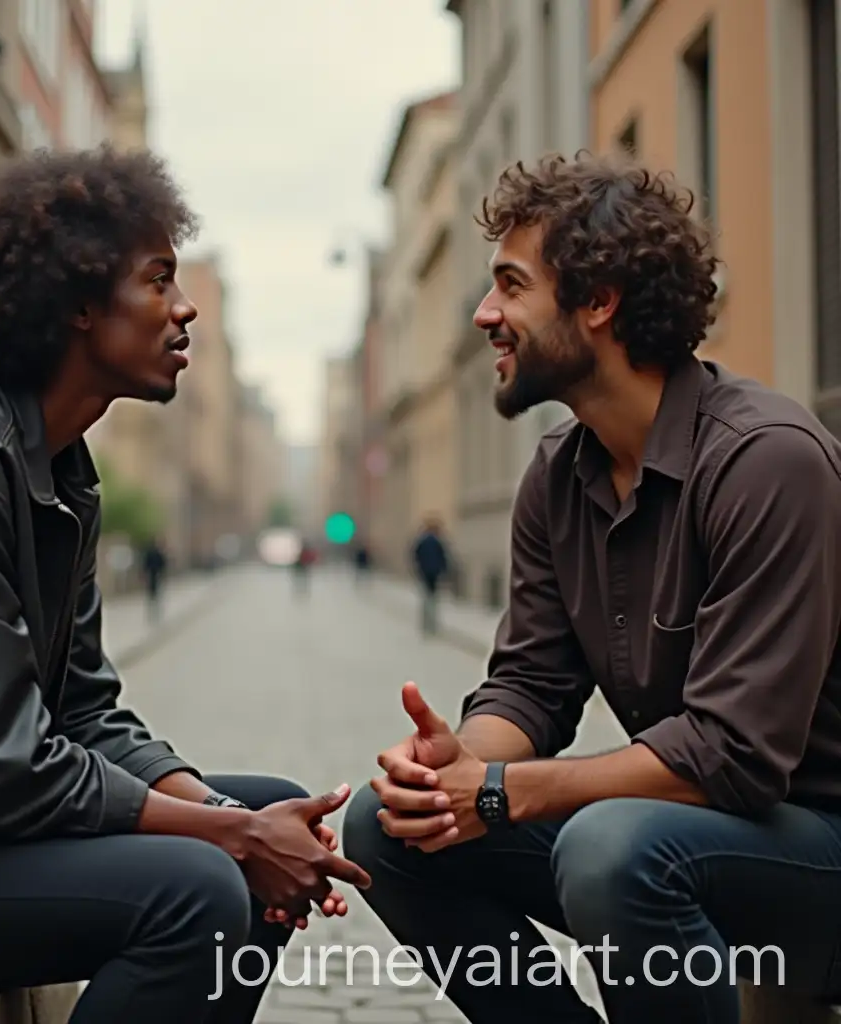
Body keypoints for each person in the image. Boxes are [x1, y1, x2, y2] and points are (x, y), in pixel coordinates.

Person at [0, 145, 369, 1022]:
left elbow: (84, 710)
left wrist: (238, 815)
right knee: (199, 886)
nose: (185, 309)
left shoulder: (60, 468)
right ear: (75, 301)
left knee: (263, 804)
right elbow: (7, 768)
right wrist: (229, 834)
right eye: (158, 281)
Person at [342, 152, 841, 1024]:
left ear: (599, 302)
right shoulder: (558, 476)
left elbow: (733, 753)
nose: (484, 314)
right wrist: (458, 768)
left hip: (817, 850)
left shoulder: (768, 461)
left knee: (615, 846)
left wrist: (501, 792)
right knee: (385, 829)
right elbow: (533, 684)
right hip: (697, 833)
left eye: (510, 285)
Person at [411, 517, 449, 635]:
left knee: (426, 598)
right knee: (433, 599)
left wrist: (418, 568)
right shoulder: (438, 542)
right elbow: (444, 557)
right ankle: (432, 625)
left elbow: (415, 555)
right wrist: (444, 570)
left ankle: (425, 623)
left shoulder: (422, 541)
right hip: (435, 573)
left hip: (424, 573)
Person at [141, 534, 167, 619]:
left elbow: (145, 564)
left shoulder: (149, 552)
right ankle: (155, 609)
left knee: (151, 592)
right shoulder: (158, 552)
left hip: (151, 574)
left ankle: (152, 609)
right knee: (155, 592)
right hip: (156, 574)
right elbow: (163, 564)